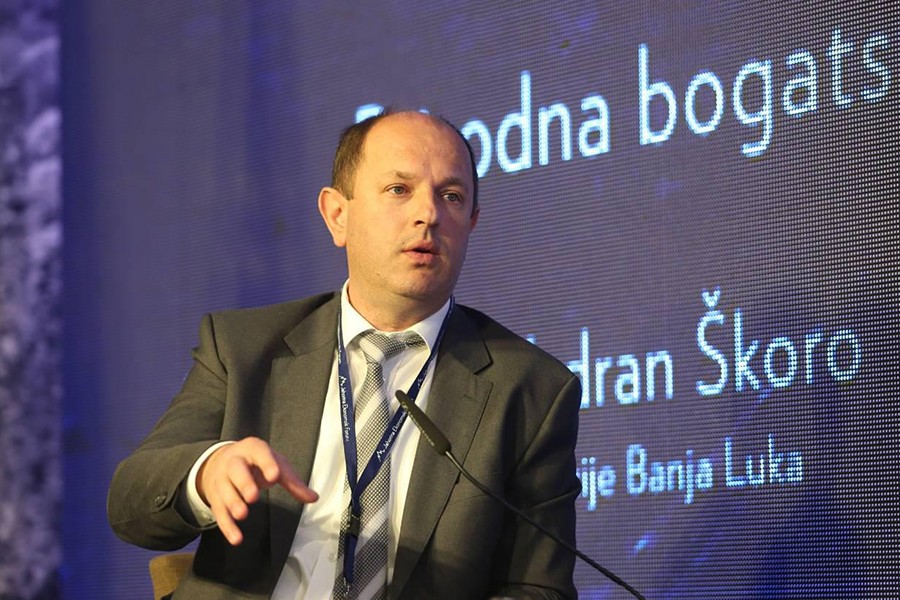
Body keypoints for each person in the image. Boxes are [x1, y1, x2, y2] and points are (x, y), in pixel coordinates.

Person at [108, 111, 582, 599]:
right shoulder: (244, 348)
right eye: (399, 189)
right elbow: (129, 504)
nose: (429, 214)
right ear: (338, 215)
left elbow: (539, 589)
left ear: (471, 224)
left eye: (452, 196)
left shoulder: (530, 390)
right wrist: (206, 473)